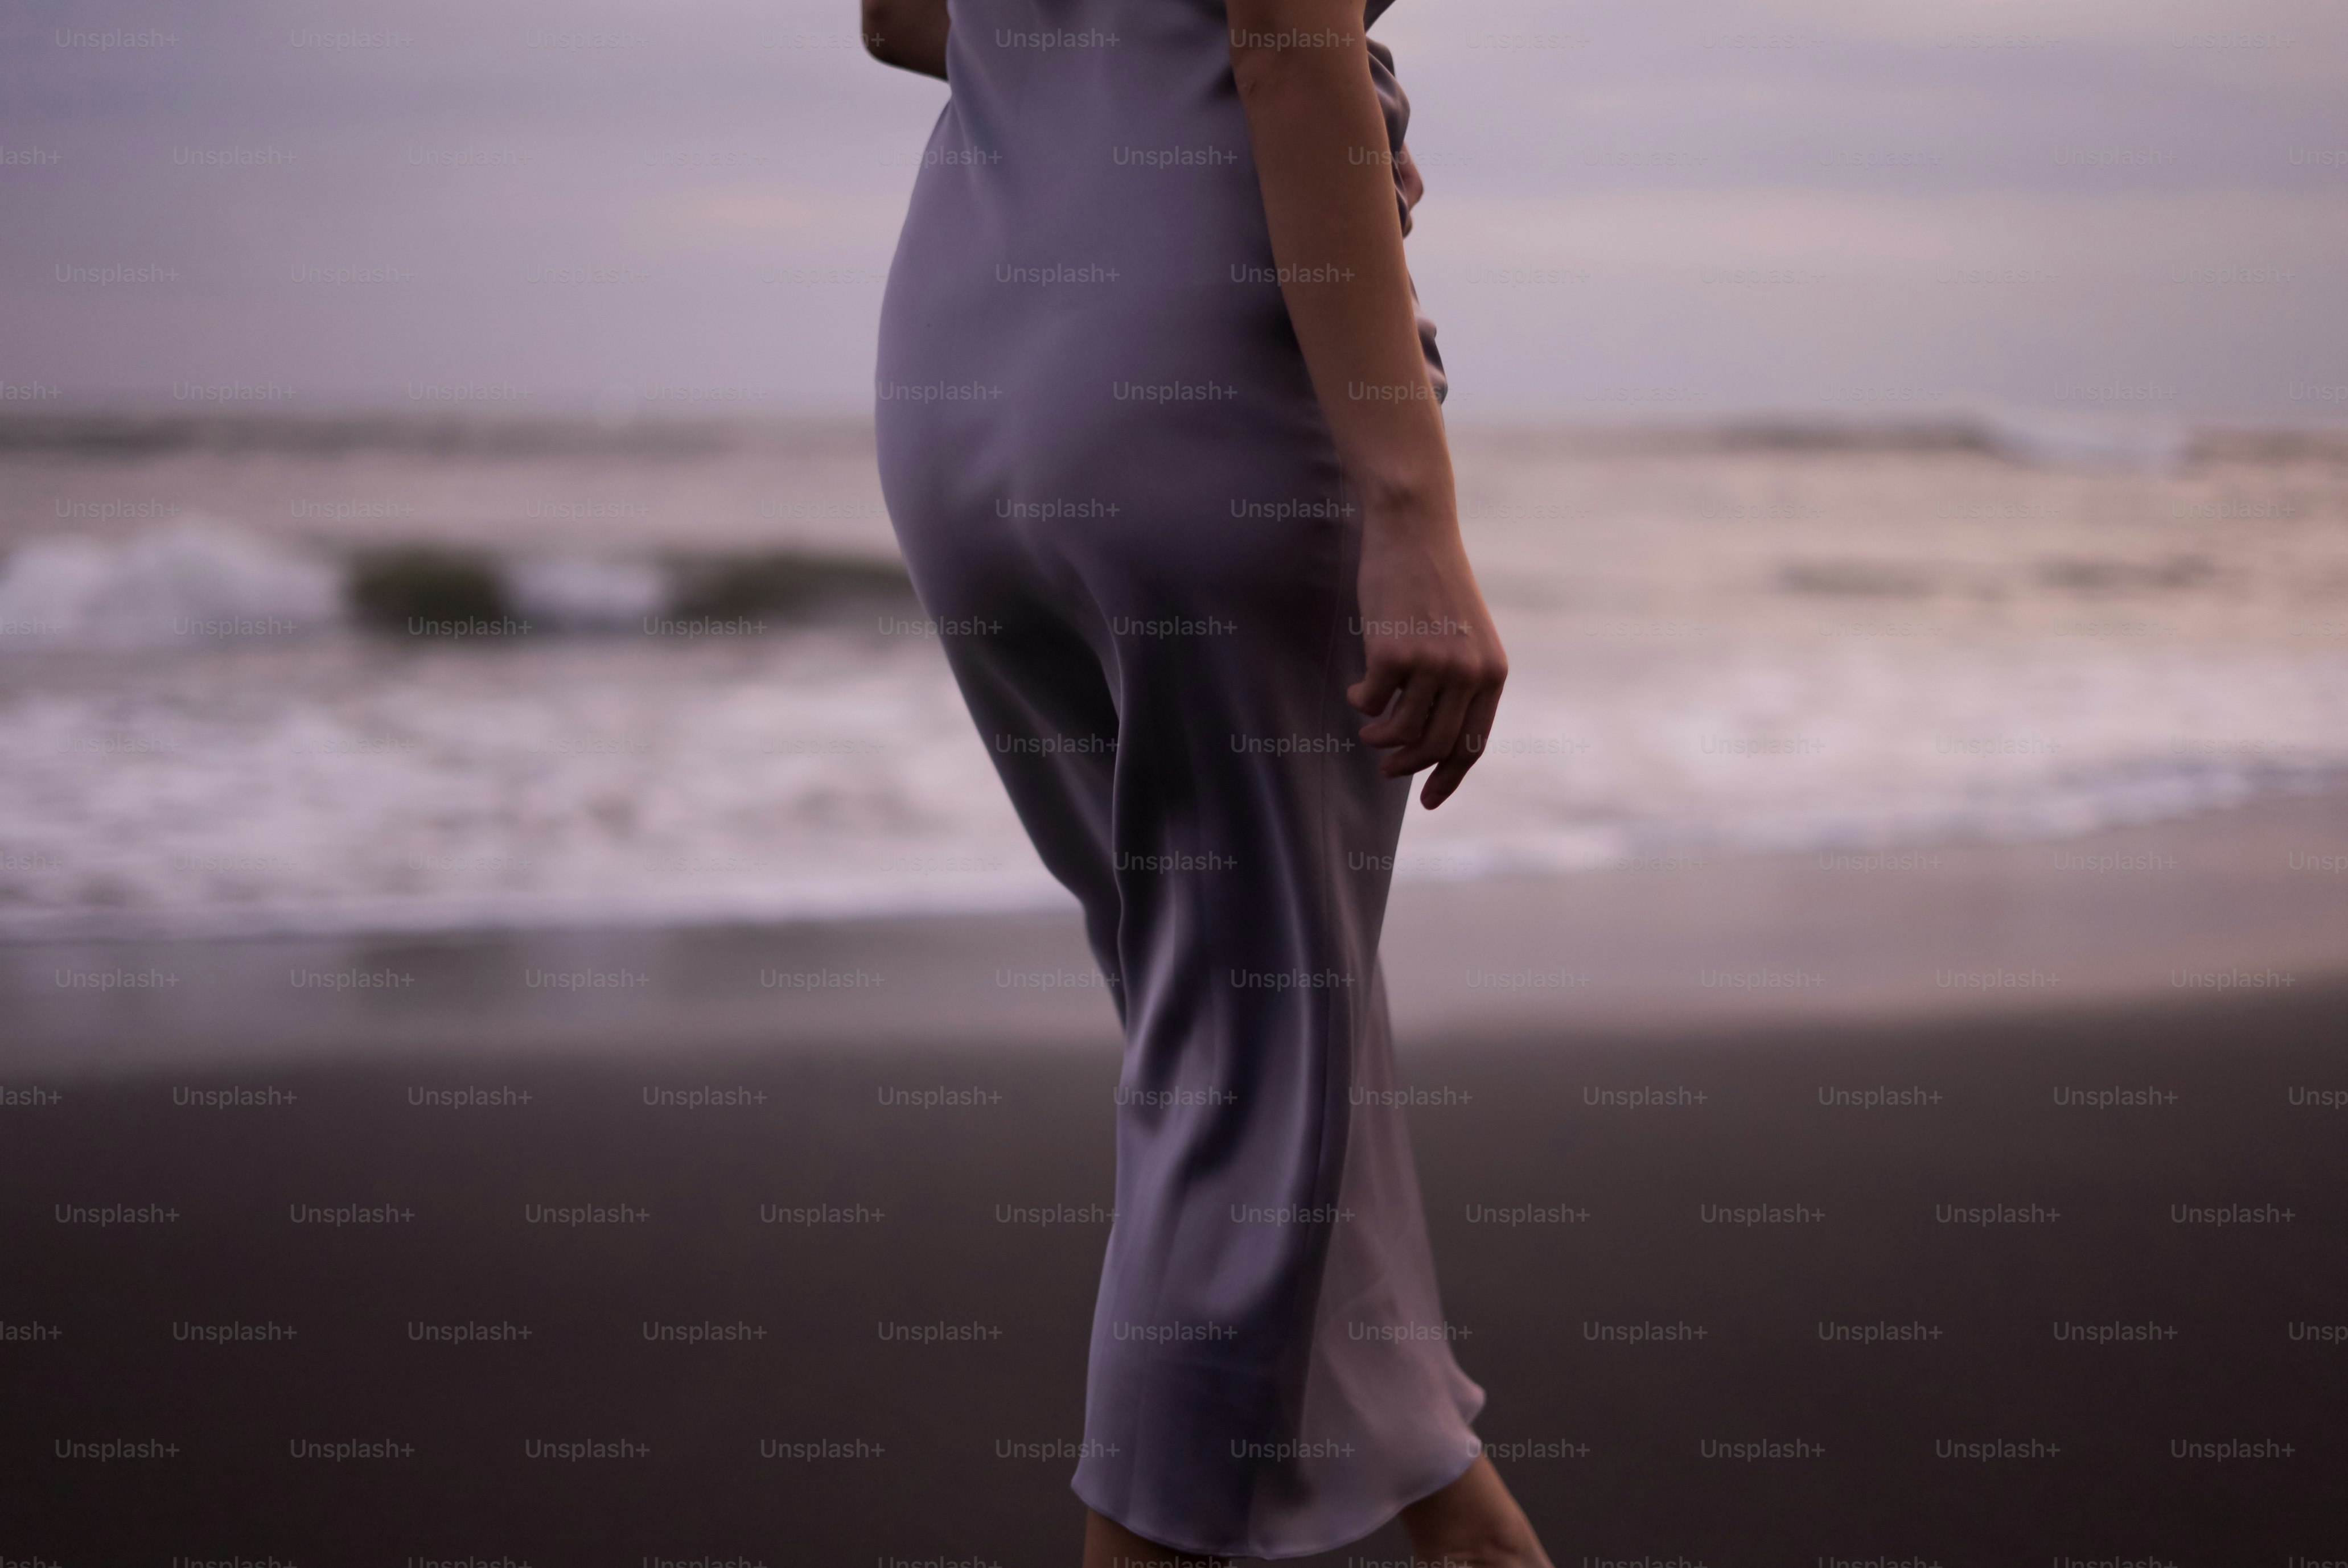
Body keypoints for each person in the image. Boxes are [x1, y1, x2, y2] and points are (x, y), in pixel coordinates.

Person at [862, 0, 1547, 1561]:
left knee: (1241, 1033)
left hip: (963, 382)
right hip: (1192, 377)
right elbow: (1284, 43)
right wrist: (1412, 505)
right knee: (1251, 1068)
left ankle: (1470, 1530)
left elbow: (906, 15)